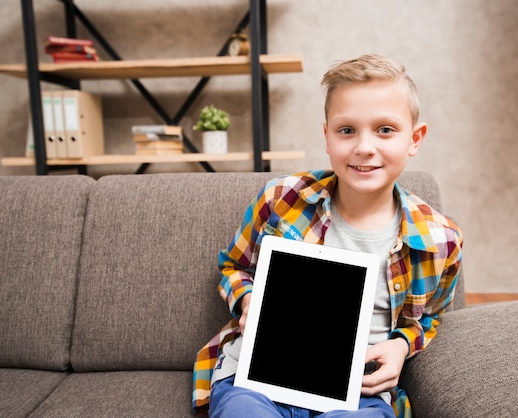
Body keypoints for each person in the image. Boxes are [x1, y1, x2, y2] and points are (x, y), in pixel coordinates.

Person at [192, 53, 463, 418]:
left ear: (414, 139)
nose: (364, 147)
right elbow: (232, 267)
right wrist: (247, 299)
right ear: (327, 136)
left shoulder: (439, 240)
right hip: (256, 380)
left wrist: (401, 344)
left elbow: (432, 318)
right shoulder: (281, 198)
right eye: (347, 130)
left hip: (356, 394)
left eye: (385, 129)